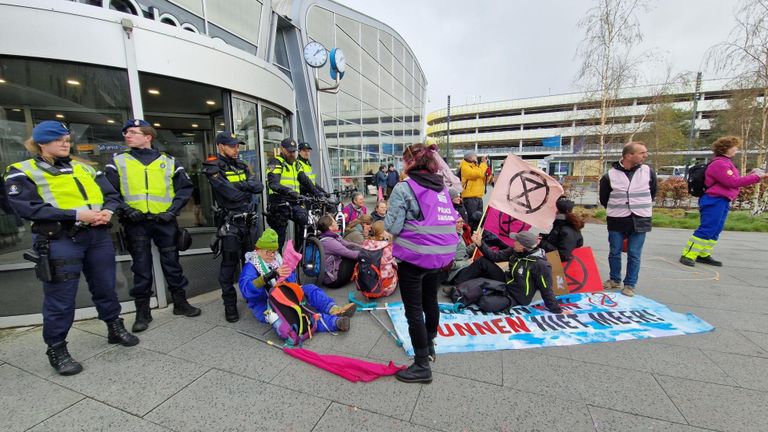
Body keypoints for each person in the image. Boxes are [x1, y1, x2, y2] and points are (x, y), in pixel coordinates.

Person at [4, 121, 138, 375]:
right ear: (42, 143)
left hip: (97, 235)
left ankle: (114, 327)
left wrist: (107, 212)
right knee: (60, 299)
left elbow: (111, 195)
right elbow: (26, 207)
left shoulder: (83, 167)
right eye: (59, 140)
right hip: (59, 240)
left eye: (67, 139)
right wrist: (77, 214)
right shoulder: (21, 171)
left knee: (105, 286)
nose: (66, 143)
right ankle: (56, 348)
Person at [106, 119, 200, 333]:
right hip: (135, 223)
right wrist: (125, 209)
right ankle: (143, 312)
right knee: (141, 267)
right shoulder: (118, 161)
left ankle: (180, 303)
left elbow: (185, 189)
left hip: (164, 222)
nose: (127, 136)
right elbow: (109, 192)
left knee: (172, 263)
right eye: (126, 133)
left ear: (148, 136)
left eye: (132, 132)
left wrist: (172, 211)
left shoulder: (168, 161)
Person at [385, 143, 459, 384]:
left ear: (410, 163)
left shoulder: (404, 188)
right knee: (431, 301)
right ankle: (429, 344)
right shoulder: (442, 188)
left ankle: (421, 365)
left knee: (414, 311)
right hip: (440, 258)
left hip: (414, 258)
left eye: (403, 161)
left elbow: (392, 227)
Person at [238, 228, 356, 332]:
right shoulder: (251, 266)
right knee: (297, 313)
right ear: (258, 250)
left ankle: (334, 309)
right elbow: (248, 291)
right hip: (267, 304)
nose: (271, 255)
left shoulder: (277, 260)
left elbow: (292, 281)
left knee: (310, 289)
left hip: (286, 292)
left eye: (273, 251)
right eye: (267, 252)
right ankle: (335, 323)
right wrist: (270, 276)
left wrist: (288, 274)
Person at [202, 131, 264, 323]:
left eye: (238, 146)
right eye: (232, 146)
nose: (236, 149)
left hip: (249, 223)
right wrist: (246, 187)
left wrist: (240, 186)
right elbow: (229, 195)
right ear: (221, 146)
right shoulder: (213, 166)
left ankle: (251, 295)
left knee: (252, 263)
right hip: (231, 225)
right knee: (229, 266)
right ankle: (230, 305)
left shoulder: (243, 164)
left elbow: (259, 186)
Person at [679, 136, 768, 267]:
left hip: (721, 200)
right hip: (714, 200)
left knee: (716, 228)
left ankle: (703, 254)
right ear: (726, 148)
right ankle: (688, 254)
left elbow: (734, 180)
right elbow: (733, 182)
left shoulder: (726, 163)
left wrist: (751, 175)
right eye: (735, 147)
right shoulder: (720, 164)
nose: (736, 149)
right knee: (708, 227)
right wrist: (756, 177)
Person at [452, 230, 563, 315]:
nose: (514, 243)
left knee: (484, 303)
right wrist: (480, 244)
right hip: (506, 282)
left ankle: (490, 293)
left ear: (523, 246)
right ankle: (457, 284)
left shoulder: (541, 265)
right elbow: (494, 256)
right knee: (483, 262)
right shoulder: (514, 251)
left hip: (517, 296)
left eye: (516, 241)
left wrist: (556, 309)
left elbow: (546, 288)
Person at [599, 142, 657, 297]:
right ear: (628, 155)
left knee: (634, 253)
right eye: (642, 152)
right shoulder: (609, 175)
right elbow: (604, 199)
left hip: (640, 219)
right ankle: (614, 279)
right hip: (617, 219)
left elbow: (652, 192)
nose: (645, 155)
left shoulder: (648, 172)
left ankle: (630, 284)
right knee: (614, 251)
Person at [266, 137, 322, 252]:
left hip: (293, 202)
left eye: (293, 151)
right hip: (279, 203)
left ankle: (299, 251)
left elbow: (305, 180)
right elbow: (273, 184)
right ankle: (277, 264)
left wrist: (318, 193)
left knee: (307, 222)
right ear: (282, 149)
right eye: (289, 151)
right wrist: (289, 191)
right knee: (279, 238)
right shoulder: (276, 162)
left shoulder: (296, 164)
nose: (292, 154)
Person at [316, 214, 362, 288]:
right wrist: (367, 253)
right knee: (354, 258)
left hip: (329, 273)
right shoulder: (329, 242)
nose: (337, 223)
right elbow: (349, 253)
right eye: (335, 222)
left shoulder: (328, 236)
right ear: (330, 227)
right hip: (333, 280)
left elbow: (348, 244)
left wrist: (363, 247)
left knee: (354, 250)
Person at [538, 197, 584, 263]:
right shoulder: (562, 224)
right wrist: (543, 237)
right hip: (554, 261)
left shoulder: (566, 228)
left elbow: (563, 255)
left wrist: (542, 243)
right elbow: (558, 239)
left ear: (557, 211)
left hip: (558, 266)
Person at [361, 220, 398, 297]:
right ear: (382, 233)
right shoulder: (387, 247)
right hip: (384, 289)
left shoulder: (365, 243)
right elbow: (395, 264)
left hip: (366, 286)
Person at [459, 152, 488, 230]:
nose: (476, 157)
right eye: (475, 156)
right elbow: (476, 174)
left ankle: (475, 236)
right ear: (469, 157)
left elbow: (482, 176)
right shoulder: (464, 166)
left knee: (478, 219)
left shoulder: (476, 167)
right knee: (472, 219)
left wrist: (487, 174)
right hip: (469, 198)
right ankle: (469, 237)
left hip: (478, 197)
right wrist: (483, 164)